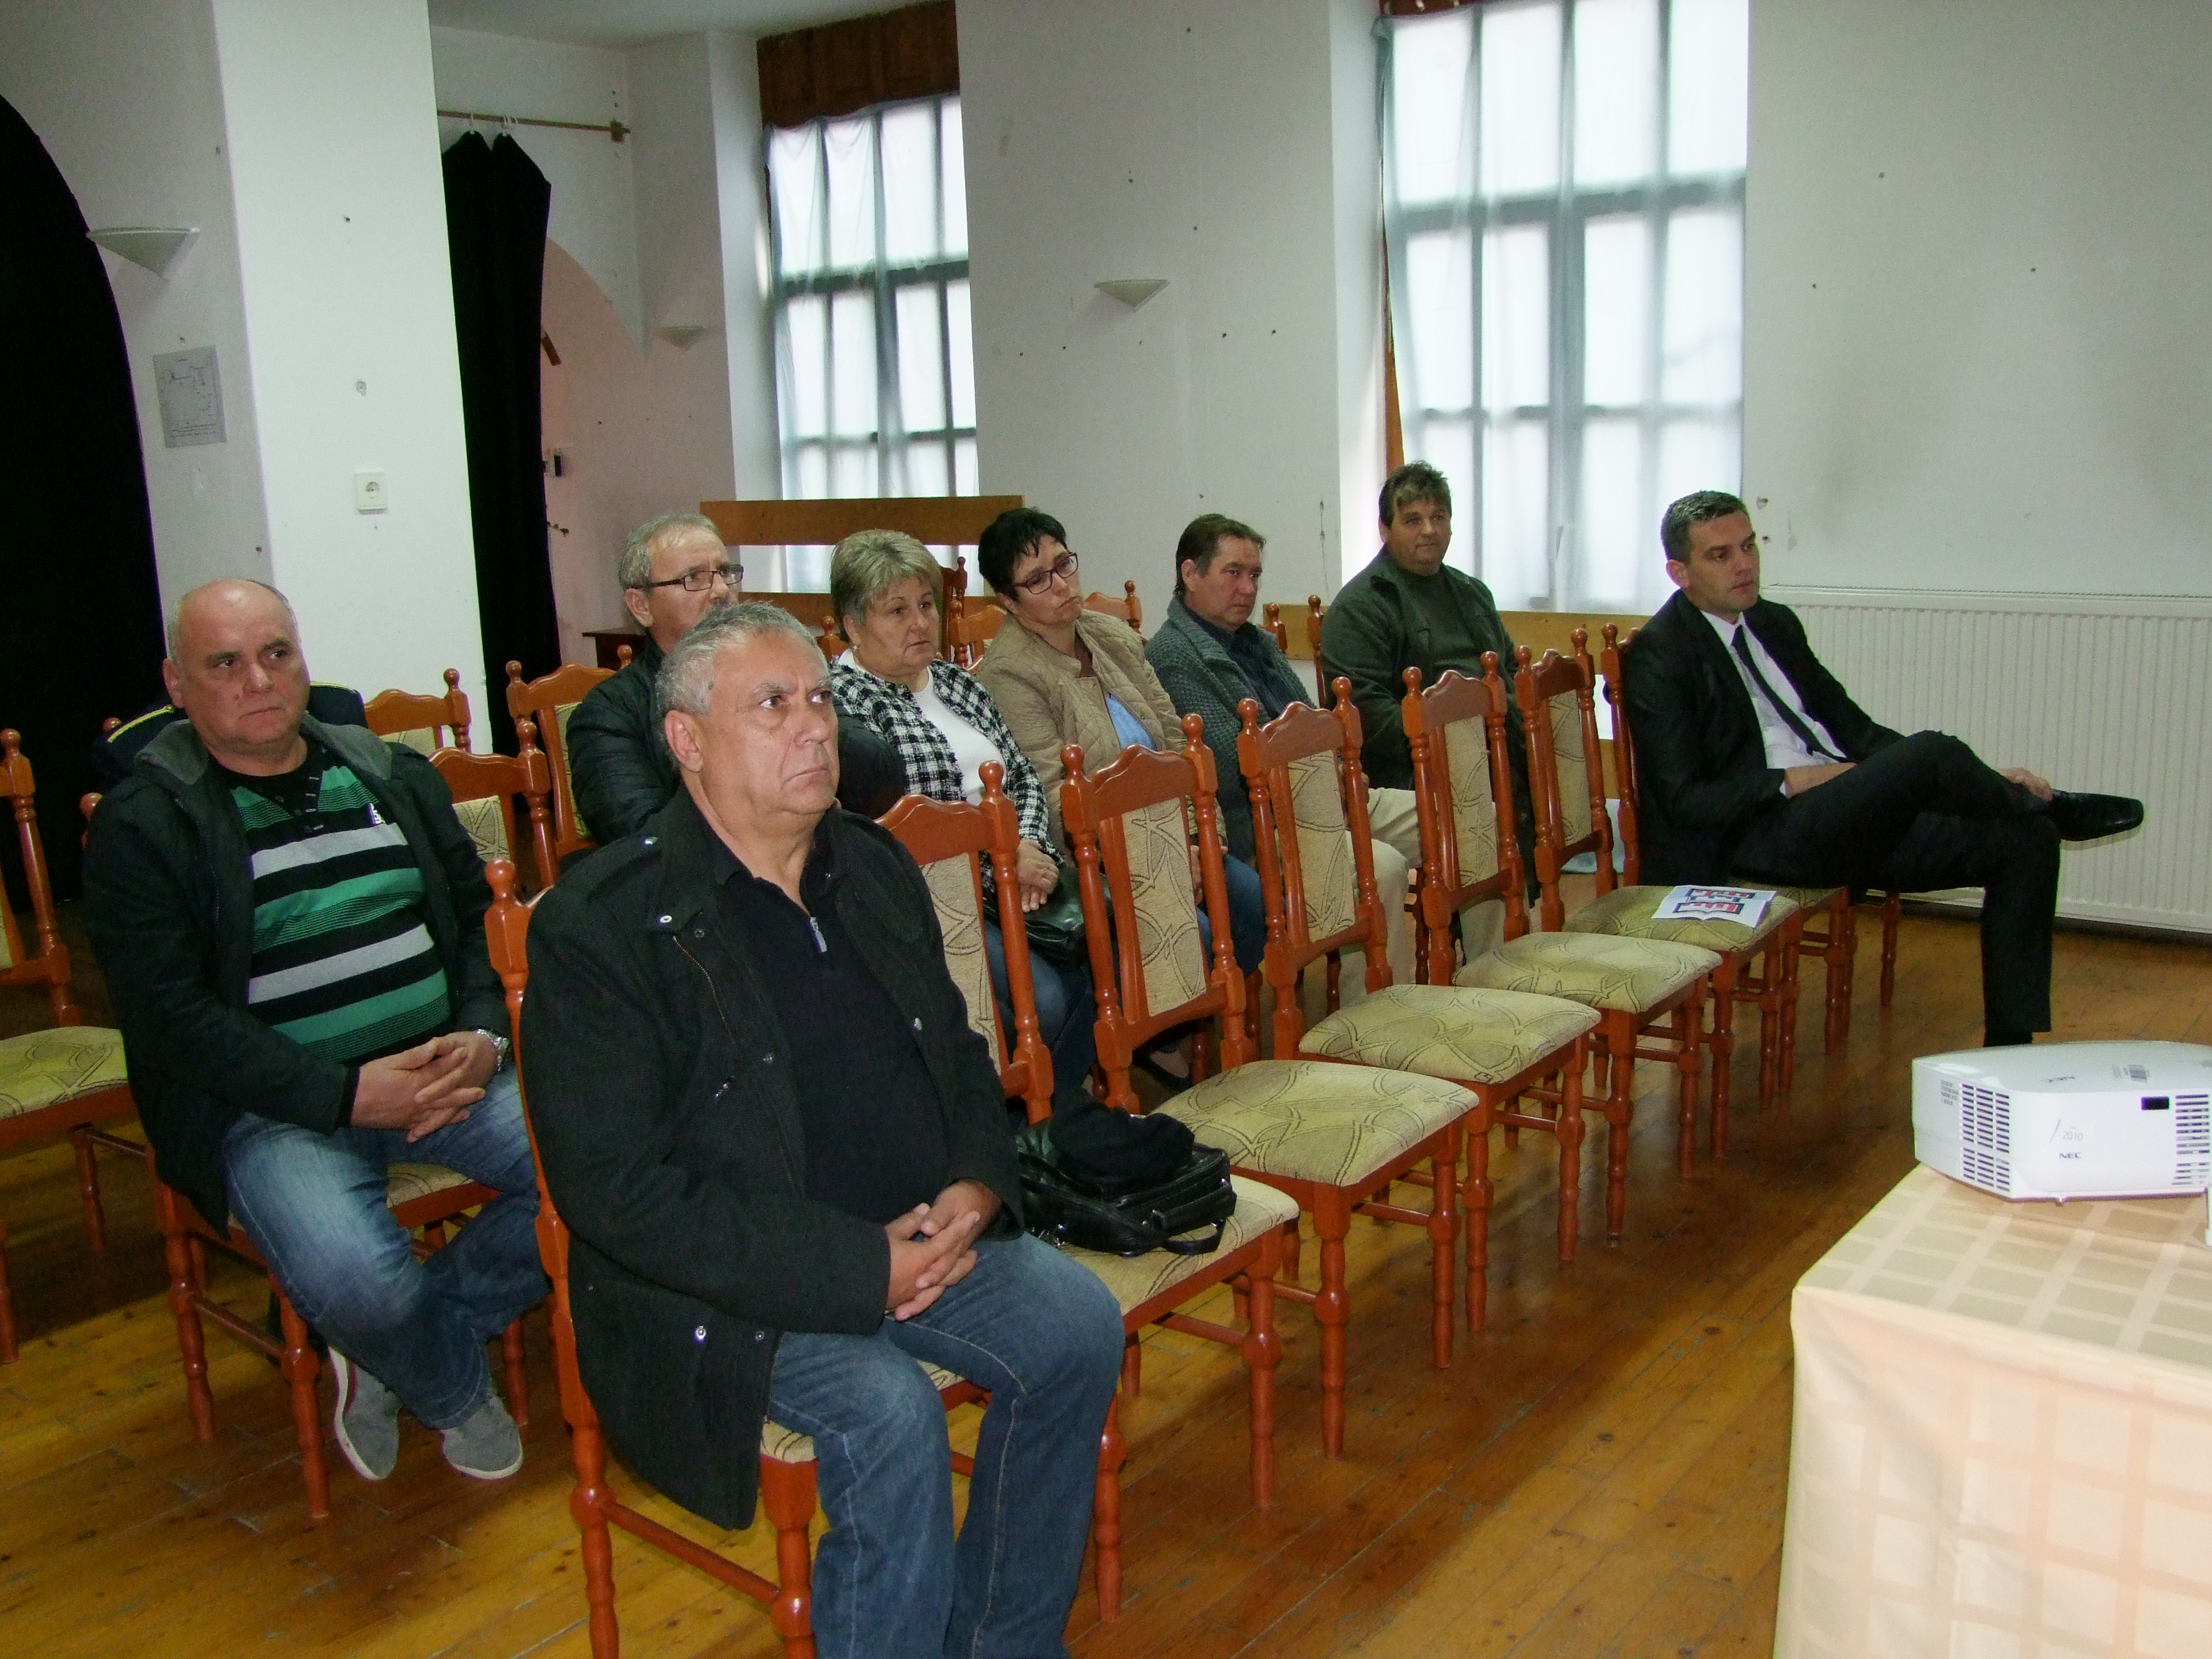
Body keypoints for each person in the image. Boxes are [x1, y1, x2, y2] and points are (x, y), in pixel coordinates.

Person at [519, 603, 1124, 1659]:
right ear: (686, 741)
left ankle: (1003, 1641)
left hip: (919, 1228)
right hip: (729, 1284)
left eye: (817, 700)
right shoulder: (606, 923)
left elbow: (955, 1051)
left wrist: (977, 1182)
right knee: (889, 1416)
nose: (812, 727)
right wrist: (858, 1269)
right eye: (771, 705)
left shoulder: (870, 865)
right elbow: (617, 1191)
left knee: (1077, 1327)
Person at [82, 579, 546, 1486]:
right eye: (225, 663)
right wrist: (345, 1094)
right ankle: (450, 1386)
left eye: (276, 654)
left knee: (608, 1164)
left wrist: (484, 1038)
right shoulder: (146, 825)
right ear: (176, 685)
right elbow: (174, 1021)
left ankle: (396, 1347)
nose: (259, 680)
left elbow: (474, 927)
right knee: (358, 1277)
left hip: (445, 1073)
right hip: (272, 1112)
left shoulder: (390, 774)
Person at [1625, 490, 2145, 1047]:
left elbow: (1857, 730)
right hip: (1762, 835)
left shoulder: (1774, 623)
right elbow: (1685, 798)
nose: (1745, 565)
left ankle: (2010, 1049)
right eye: (1721, 555)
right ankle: (2054, 806)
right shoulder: (1661, 654)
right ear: (1680, 572)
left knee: (2026, 840)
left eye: (1749, 546)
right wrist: (1798, 780)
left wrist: (1934, 780)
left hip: (1841, 818)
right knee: (1931, 751)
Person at [827, 529, 1099, 1108]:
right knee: (1048, 1001)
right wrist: (1002, 859)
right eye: (897, 611)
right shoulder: (842, 706)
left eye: (926, 605)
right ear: (853, 625)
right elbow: (900, 830)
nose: (920, 623)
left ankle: (1050, 1120)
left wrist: (1031, 843)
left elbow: (1021, 774)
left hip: (1016, 874)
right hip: (935, 900)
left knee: (1106, 964)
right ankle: (1014, 1124)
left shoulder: (956, 684)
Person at [972, 506, 1266, 975]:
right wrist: (1162, 856)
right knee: (1197, 938)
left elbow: (1179, 742)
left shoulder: (1111, 635)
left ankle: (1222, 1012)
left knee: (1259, 909)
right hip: (1103, 863)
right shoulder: (1009, 674)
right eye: (1038, 580)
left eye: (1063, 564)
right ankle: (1183, 1022)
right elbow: (1055, 799)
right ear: (1010, 600)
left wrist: (1196, 837)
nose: (1062, 584)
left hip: (1178, 834)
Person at [1144, 512, 1433, 983]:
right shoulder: (1173, 657)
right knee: (1382, 870)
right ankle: (1375, 1015)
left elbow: (1316, 723)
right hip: (1264, 825)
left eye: (1255, 575)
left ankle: (1489, 974)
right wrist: (1325, 779)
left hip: (1325, 794)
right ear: (1190, 573)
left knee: (1455, 817)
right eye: (1233, 573)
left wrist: (1341, 769)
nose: (1248, 589)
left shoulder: (1257, 642)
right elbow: (1233, 763)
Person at [565, 512, 906, 845]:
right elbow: (643, 839)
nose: (720, 591)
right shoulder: (608, 713)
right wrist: (776, 824)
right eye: (693, 578)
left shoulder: (791, 681)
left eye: (725, 573)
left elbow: (883, 783)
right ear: (641, 605)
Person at [1319, 461, 1533, 864]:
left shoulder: (1473, 593)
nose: (1429, 530)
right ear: (1385, 530)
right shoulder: (1360, 607)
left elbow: (1510, 673)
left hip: (1497, 749)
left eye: (1438, 517)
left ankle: (1522, 900)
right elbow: (1366, 714)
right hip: (1412, 770)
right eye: (1413, 520)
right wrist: (1462, 737)